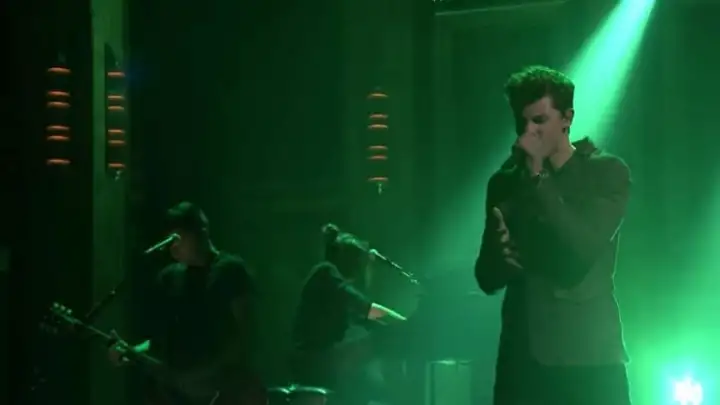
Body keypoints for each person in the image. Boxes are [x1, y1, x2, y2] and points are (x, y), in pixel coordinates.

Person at [475, 65, 632, 405]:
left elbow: (583, 248)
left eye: (539, 121)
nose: (528, 132)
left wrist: (538, 180)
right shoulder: (505, 182)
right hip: (522, 361)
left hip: (588, 359)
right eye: (521, 122)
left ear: (567, 118)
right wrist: (499, 254)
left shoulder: (606, 173)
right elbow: (485, 278)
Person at [108, 201, 263, 405]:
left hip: (225, 393)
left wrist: (203, 375)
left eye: (178, 237)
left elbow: (247, 334)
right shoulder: (170, 278)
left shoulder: (230, 271)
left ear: (202, 233)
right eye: (170, 239)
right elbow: (162, 341)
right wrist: (133, 351)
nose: (173, 246)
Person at [292, 223, 406, 405]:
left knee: (371, 383)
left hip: (319, 360)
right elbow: (368, 310)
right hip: (316, 360)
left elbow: (369, 319)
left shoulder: (331, 280)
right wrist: (406, 325)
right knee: (381, 342)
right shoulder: (326, 272)